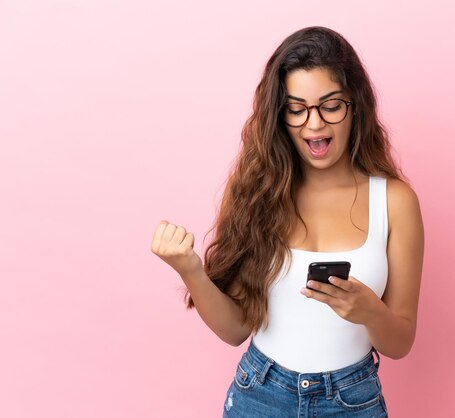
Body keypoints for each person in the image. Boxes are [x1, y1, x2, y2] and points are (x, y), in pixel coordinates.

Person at [150, 26, 424, 417]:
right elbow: (234, 331)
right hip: (260, 393)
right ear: (279, 116)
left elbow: (400, 343)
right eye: (296, 109)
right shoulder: (255, 194)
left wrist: (370, 312)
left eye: (330, 105)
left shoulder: (395, 202)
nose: (314, 125)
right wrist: (190, 269)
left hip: (351, 400)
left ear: (355, 106)